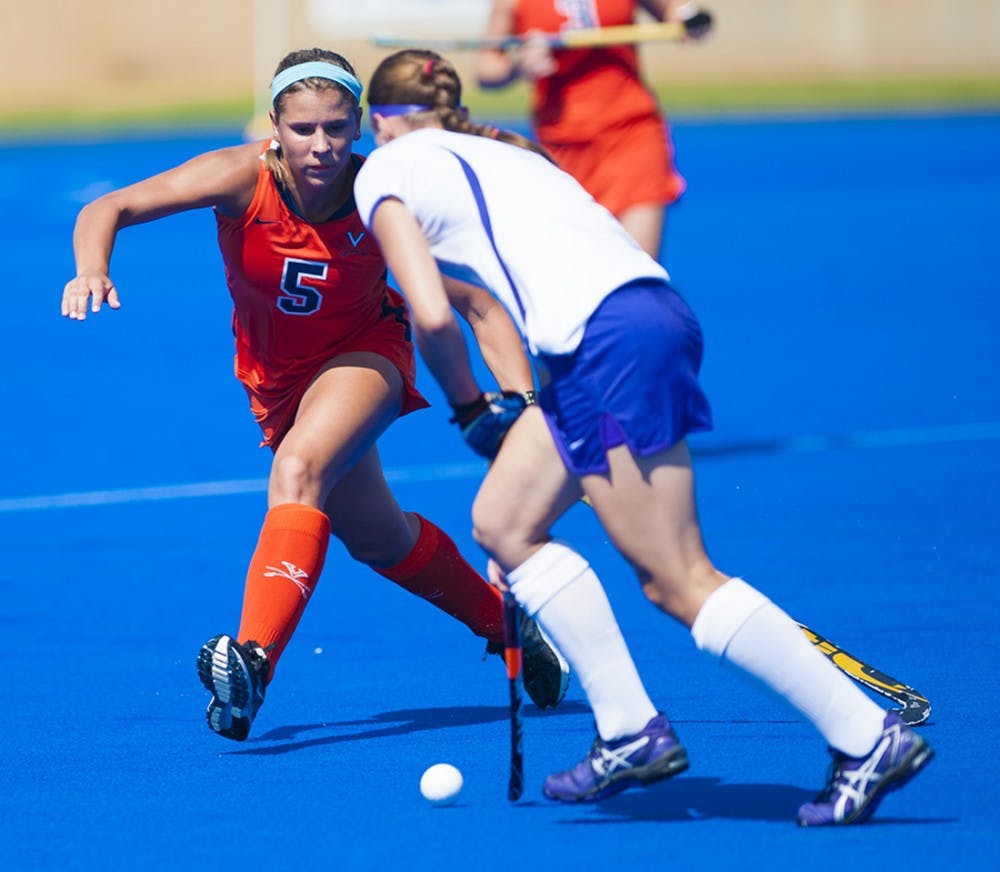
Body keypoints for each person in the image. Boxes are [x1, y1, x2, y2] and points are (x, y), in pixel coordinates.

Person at [351, 49, 934, 826]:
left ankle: (867, 737)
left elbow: (430, 314)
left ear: (380, 122)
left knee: (677, 578)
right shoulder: (505, 147)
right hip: (631, 324)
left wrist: (469, 410)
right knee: (506, 523)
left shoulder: (383, 171)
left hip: (606, 344)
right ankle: (629, 731)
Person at [60, 47, 570, 743]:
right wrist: (91, 268)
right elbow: (109, 205)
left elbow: (478, 305)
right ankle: (507, 627)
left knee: (297, 471)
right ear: (274, 124)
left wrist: (522, 401)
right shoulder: (239, 179)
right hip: (278, 380)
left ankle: (253, 662)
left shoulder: (381, 198)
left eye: (337, 127)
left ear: (359, 124)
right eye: (303, 130)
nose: (322, 146)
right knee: (378, 538)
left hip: (367, 356)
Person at [475, 0, 713, 260]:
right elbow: (486, 68)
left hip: (631, 132)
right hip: (562, 148)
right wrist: (518, 65)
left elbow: (674, 10)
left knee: (637, 272)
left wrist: (689, 18)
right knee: (580, 274)